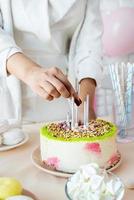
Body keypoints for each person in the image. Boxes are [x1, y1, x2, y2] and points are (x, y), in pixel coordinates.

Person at [0, 0, 102, 127]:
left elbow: (89, 43)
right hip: (10, 98)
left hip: (63, 100)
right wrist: (30, 72)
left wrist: (84, 104)